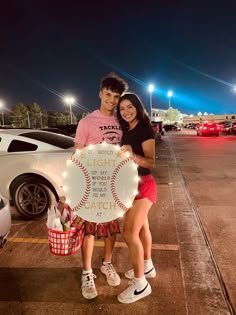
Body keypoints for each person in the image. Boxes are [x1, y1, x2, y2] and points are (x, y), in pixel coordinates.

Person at [73, 73, 128, 299]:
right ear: (100, 94)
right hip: (91, 186)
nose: (112, 100)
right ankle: (87, 273)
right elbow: (77, 154)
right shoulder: (87, 122)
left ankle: (106, 263)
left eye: (116, 97)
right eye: (108, 95)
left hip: (113, 186)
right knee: (88, 231)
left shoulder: (122, 122)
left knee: (110, 230)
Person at [116, 92, 157, 304]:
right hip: (132, 185)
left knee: (129, 233)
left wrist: (132, 155)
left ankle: (141, 285)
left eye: (130, 107)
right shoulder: (128, 128)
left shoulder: (144, 128)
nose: (126, 112)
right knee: (142, 229)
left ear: (137, 107)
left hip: (145, 186)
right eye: (122, 108)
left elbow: (150, 163)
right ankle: (147, 266)